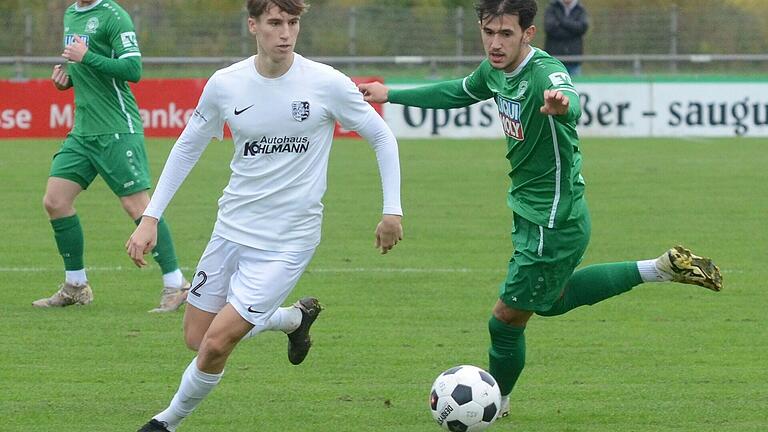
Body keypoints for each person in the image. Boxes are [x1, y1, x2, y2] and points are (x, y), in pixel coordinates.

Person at [358, 0, 721, 420]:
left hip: (553, 219)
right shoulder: (495, 69)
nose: (495, 43)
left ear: (528, 34)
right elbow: (460, 91)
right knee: (549, 301)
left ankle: (497, 404)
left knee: (505, 321)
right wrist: (391, 94)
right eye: (488, 32)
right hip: (532, 212)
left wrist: (563, 104)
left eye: (506, 34)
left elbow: (569, 94)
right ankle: (659, 268)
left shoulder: (544, 73)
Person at [126, 0, 403, 430]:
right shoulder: (225, 84)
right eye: (275, 23)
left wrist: (392, 211)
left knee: (217, 343)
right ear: (254, 25)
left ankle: (166, 422)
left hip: (288, 242)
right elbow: (187, 147)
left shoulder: (326, 83)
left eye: (293, 23)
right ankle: (293, 318)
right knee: (196, 338)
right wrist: (151, 217)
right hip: (231, 230)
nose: (286, 33)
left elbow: (381, 136)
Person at [34, 0, 189, 313]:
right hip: (83, 130)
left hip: (117, 129)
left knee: (139, 206)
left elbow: (133, 70)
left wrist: (87, 57)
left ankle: (177, 284)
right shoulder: (71, 14)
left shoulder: (114, 16)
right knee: (55, 201)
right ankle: (75, 285)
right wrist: (67, 79)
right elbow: (85, 71)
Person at [544, 0, 589, 76]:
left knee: (574, 87)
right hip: (554, 60)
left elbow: (582, 28)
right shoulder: (552, 8)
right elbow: (550, 28)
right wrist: (572, 30)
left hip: (574, 60)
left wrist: (561, 21)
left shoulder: (580, 9)